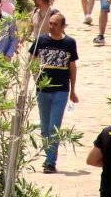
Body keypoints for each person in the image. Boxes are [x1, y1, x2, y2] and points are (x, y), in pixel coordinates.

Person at [30, 12, 79, 174]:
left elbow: (72, 67)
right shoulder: (41, 40)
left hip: (61, 90)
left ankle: (51, 162)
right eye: (50, 23)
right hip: (43, 90)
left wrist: (73, 91)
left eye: (55, 24)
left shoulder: (69, 43)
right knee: (44, 129)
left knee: (54, 127)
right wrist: (35, 78)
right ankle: (48, 157)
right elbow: (31, 60)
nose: (51, 27)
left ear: (63, 26)